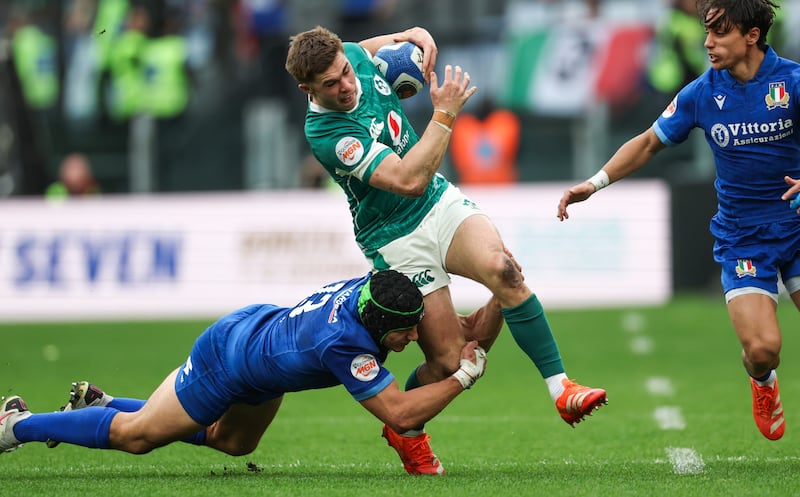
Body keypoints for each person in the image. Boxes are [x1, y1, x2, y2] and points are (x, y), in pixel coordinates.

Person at [285, 26, 607, 475]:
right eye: (330, 84)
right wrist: (444, 114)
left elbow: (378, 46)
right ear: (308, 89)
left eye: (344, 71)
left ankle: (562, 390)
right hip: (394, 236)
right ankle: (406, 429)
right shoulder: (327, 133)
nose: (346, 84)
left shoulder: (354, 54)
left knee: (504, 271)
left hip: (439, 202)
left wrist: (414, 33)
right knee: (450, 362)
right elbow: (406, 180)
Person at [557, 0, 798, 442]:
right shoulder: (702, 93)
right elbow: (649, 143)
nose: (707, 43)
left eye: (719, 33)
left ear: (751, 36)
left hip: (797, 227)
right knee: (763, 350)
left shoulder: (793, 82)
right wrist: (594, 183)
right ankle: (762, 382)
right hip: (745, 238)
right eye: (706, 32)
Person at [0, 270, 491, 469]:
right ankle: (17, 425)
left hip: (261, 353)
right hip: (228, 360)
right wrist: (462, 377)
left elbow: (430, 319)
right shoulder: (345, 343)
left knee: (234, 443)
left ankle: (102, 406)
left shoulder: (374, 291)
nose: (413, 339)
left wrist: (505, 294)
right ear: (379, 323)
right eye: (405, 332)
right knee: (137, 437)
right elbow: (401, 415)